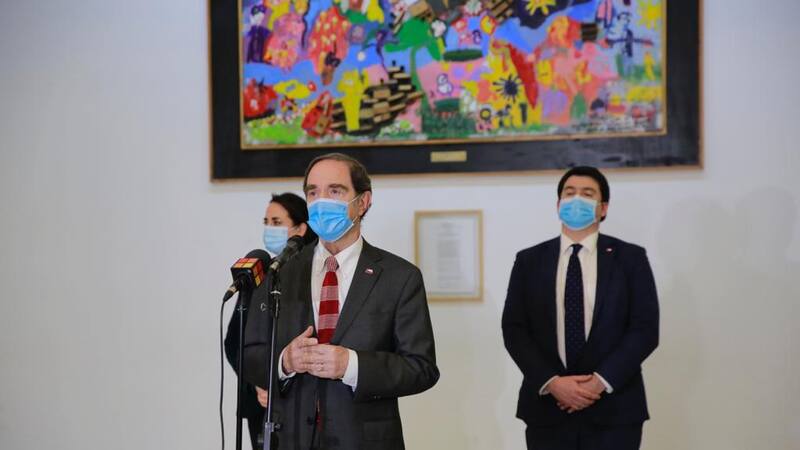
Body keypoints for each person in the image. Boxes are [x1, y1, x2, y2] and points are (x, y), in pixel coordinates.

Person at [243, 153, 439, 449]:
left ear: (363, 202)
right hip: (291, 437)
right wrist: (285, 361)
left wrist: (352, 365)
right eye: (313, 192)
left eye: (335, 191)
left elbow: (421, 368)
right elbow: (250, 355)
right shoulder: (280, 270)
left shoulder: (400, 277)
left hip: (365, 441)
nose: (321, 201)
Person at [502, 166, 659, 450]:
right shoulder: (529, 261)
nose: (576, 199)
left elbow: (644, 329)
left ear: (603, 207)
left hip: (615, 410)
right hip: (547, 411)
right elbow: (515, 329)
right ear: (558, 204)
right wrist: (552, 382)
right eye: (569, 193)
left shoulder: (630, 258)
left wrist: (598, 382)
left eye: (587, 194)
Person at [225, 192, 317, 450]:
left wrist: (281, 379)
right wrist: (257, 382)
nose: (269, 229)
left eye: (277, 222)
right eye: (266, 222)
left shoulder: (315, 273)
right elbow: (234, 343)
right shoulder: (260, 273)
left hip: (304, 406)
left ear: (300, 229)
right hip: (261, 403)